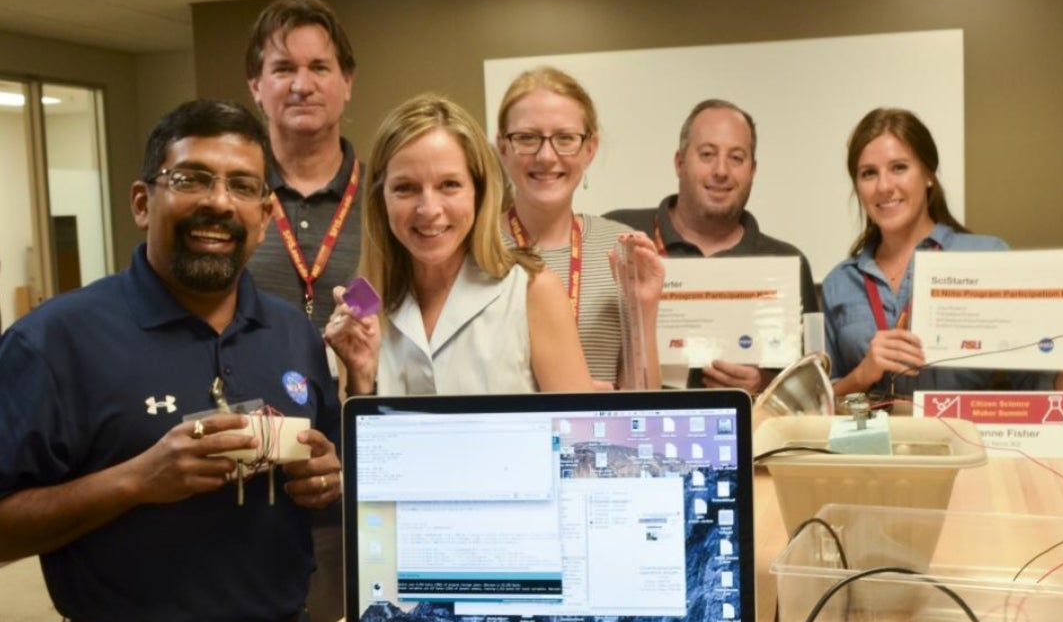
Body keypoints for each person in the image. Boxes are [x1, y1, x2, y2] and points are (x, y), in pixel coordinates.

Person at [0, 99, 342, 622]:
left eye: (243, 186)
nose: (219, 202)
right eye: (191, 179)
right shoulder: (53, 342)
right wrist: (136, 481)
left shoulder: (292, 333)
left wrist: (326, 478)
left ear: (264, 217)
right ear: (141, 201)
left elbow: (324, 481)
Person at [822, 107, 1063, 398]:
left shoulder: (989, 257)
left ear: (929, 174)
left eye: (899, 167)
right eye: (869, 173)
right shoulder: (840, 281)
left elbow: (1036, 387)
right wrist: (863, 374)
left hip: (972, 453)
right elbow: (818, 404)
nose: (884, 186)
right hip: (871, 458)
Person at [325, 93, 594, 396]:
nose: (429, 209)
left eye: (449, 185)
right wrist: (361, 384)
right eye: (406, 188)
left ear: (478, 192)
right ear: (380, 198)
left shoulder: (532, 291)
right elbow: (358, 440)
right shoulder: (360, 307)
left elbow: (581, 437)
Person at [244, 0, 357, 622]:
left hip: (368, 486)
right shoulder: (230, 202)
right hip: (252, 494)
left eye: (319, 68)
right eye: (283, 68)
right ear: (256, 86)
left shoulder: (393, 197)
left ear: (346, 83)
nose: (302, 84)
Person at [606, 99, 818, 394]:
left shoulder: (788, 262)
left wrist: (764, 386)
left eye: (736, 158)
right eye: (707, 154)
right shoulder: (622, 235)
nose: (721, 170)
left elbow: (808, 391)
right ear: (680, 163)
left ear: (752, 170)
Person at [495, 66, 663, 389]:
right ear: (503, 148)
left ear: (590, 149)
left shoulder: (619, 248)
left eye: (565, 139)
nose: (546, 156)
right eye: (527, 138)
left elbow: (644, 405)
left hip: (598, 440)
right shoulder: (474, 248)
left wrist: (644, 311)